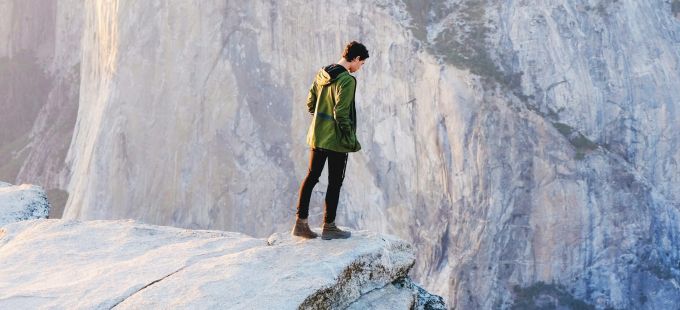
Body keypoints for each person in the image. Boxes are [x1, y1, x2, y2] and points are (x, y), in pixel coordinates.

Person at [292, 41, 369, 240]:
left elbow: (310, 103)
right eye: (361, 64)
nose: (360, 68)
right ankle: (329, 226)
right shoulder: (347, 81)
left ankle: (300, 224)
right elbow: (341, 113)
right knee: (335, 182)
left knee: (311, 177)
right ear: (356, 58)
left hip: (317, 136)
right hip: (336, 141)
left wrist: (320, 120)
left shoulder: (322, 74)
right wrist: (349, 137)